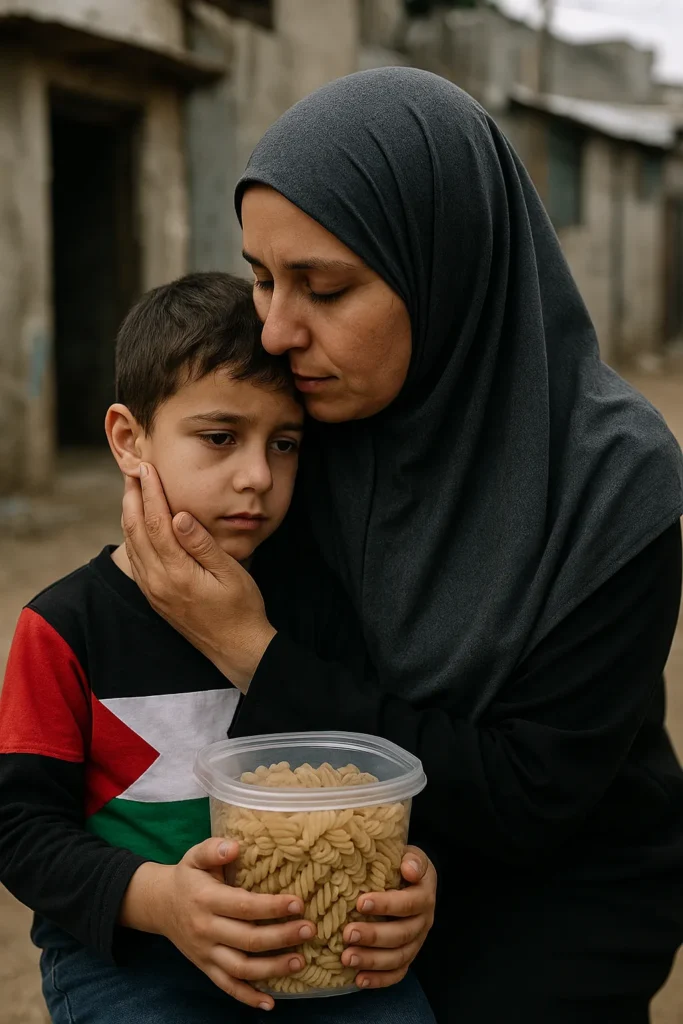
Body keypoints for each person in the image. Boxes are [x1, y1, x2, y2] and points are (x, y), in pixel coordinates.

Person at [120, 69, 683, 1024]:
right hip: (329, 878)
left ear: (445, 268)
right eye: (262, 278)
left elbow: (530, 796)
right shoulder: (289, 440)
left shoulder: (608, 486)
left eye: (325, 287)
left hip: (552, 896)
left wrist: (252, 650)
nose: (275, 330)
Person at [0, 272, 437, 1024]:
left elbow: (367, 772)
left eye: (285, 444)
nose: (257, 477)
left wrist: (412, 871)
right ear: (129, 439)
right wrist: (159, 899)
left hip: (313, 940)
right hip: (135, 960)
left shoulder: (316, 613)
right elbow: (19, 828)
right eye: (220, 438)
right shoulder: (65, 628)